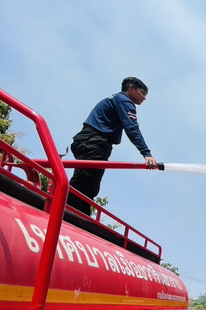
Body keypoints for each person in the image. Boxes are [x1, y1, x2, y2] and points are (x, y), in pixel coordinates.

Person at [67, 77, 157, 215]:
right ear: (131, 88)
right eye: (142, 93)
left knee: (89, 185)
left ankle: (78, 216)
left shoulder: (114, 99)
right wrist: (146, 153)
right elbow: (132, 127)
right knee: (84, 183)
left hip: (89, 141)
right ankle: (69, 215)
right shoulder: (124, 100)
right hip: (94, 142)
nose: (144, 98)